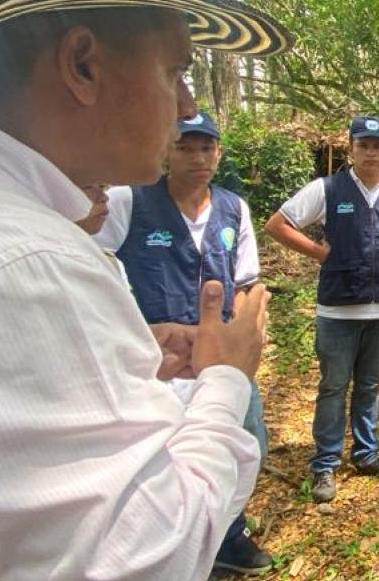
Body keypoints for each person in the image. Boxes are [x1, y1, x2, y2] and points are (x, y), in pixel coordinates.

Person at [0, 0, 287, 575]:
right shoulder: (21, 263)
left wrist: (122, 357)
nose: (187, 105)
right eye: (176, 68)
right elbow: (141, 558)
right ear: (83, 64)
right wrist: (224, 376)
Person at [93, 112, 272, 575]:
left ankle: (227, 537)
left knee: (246, 441)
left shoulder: (233, 209)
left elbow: (247, 282)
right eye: (184, 147)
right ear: (166, 152)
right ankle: (168, 549)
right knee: (162, 453)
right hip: (157, 362)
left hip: (221, 362)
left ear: (219, 152)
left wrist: (246, 341)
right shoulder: (129, 201)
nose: (197, 158)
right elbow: (93, 264)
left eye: (206, 148)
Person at [264, 115, 379, 502]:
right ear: (350, 148)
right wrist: (317, 252)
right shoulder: (327, 189)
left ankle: (366, 454)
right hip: (338, 310)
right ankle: (325, 464)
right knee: (333, 387)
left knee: (370, 384)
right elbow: (278, 224)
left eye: (377, 145)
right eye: (362, 144)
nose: (370, 152)